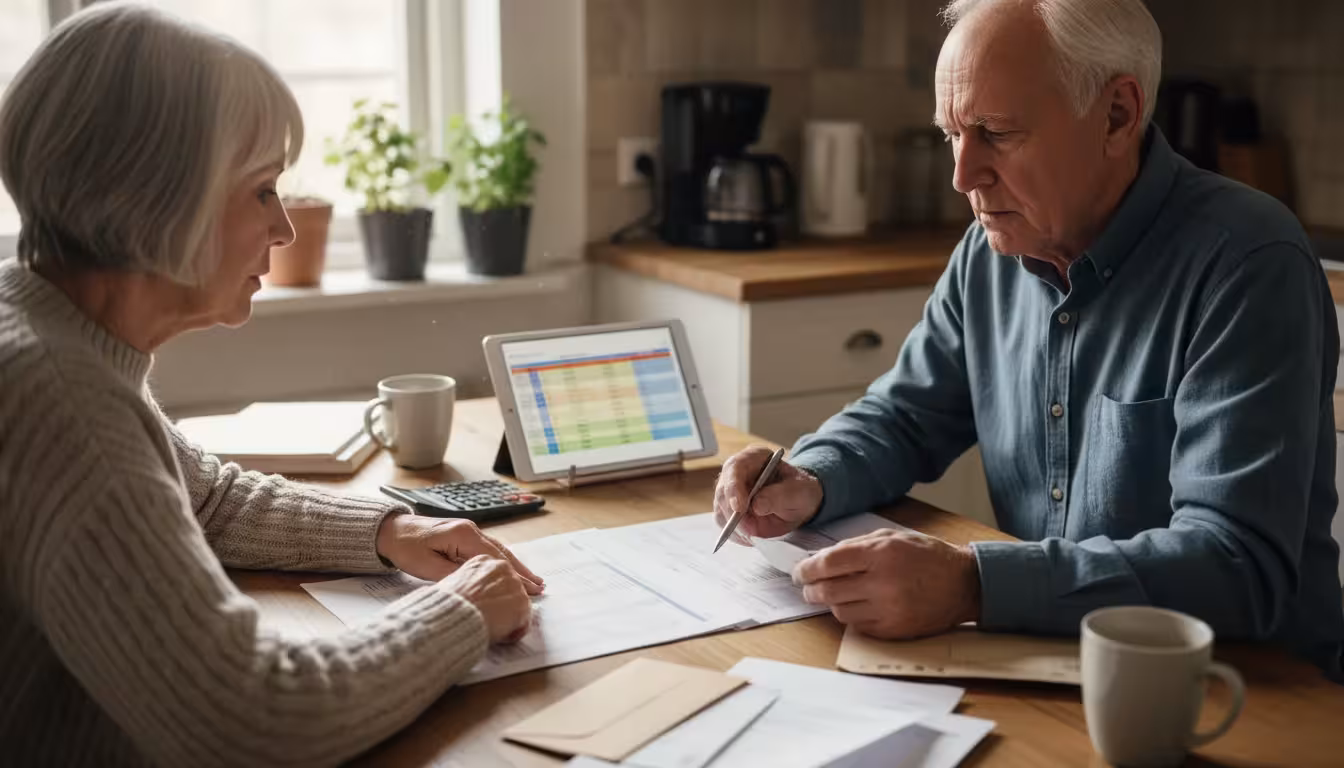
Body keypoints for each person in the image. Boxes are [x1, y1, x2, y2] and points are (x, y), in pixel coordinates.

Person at [715, 0, 1344, 678]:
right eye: (952, 134)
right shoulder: (989, 255)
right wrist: (812, 474)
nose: (963, 176)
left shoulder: (1247, 263)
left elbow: (1236, 564)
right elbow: (903, 417)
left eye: (994, 132)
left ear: (1117, 116)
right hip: (1049, 664)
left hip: (1251, 691)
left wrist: (971, 584)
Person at [0, 3, 546, 764]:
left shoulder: (45, 328)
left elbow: (207, 498)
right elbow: (257, 718)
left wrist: (388, 532)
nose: (286, 228)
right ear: (158, 198)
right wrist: (459, 614)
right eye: (262, 190)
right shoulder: (60, 399)